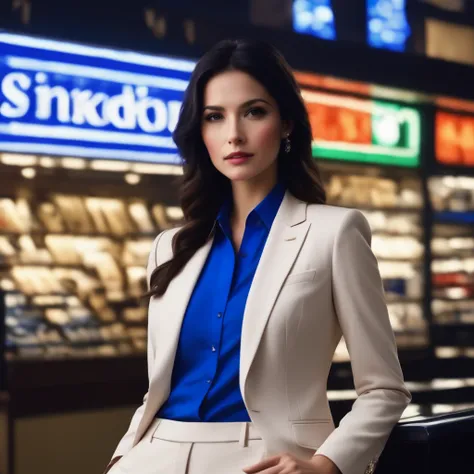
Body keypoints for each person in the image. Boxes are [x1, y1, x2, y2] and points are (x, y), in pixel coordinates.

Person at [105, 39, 411, 474]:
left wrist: (327, 465)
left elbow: (384, 389)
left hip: (265, 459)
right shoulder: (170, 247)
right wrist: (123, 458)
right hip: (152, 457)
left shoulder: (334, 232)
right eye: (215, 117)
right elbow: (160, 387)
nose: (234, 134)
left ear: (286, 123)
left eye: (254, 111)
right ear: (201, 131)